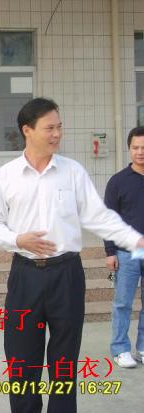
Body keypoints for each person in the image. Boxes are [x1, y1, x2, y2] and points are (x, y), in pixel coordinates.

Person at [0, 97, 144, 413]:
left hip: (67, 275)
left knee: (65, 360)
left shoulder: (73, 172)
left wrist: (136, 241)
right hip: (25, 275)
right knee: (21, 359)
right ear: (27, 130)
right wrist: (17, 239)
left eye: (59, 127)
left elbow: (100, 217)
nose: (56, 134)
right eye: (49, 128)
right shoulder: (7, 175)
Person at [104, 126, 144, 368]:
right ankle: (120, 348)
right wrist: (110, 252)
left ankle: (143, 347)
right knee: (123, 303)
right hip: (126, 253)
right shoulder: (118, 182)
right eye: (135, 147)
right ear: (129, 149)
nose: (140, 152)